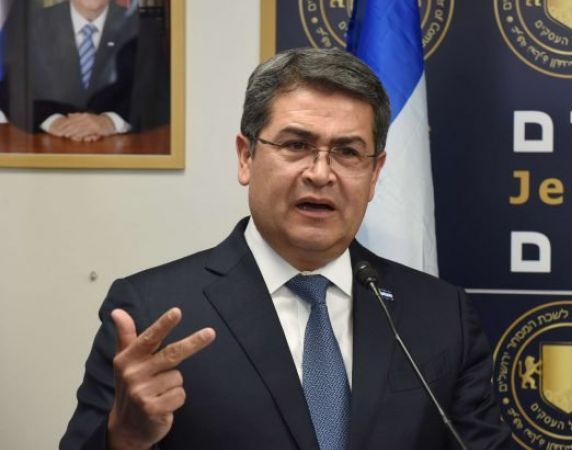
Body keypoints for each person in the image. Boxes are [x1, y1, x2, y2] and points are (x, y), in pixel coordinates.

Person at [60, 48, 511, 450]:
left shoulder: (441, 315)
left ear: (374, 174)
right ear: (246, 157)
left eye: (347, 152)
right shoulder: (151, 313)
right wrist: (124, 439)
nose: (321, 173)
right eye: (296, 145)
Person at [0, 0, 169, 141]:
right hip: (46, 149)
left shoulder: (143, 28)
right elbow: (11, 91)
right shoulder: (31, 25)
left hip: (120, 152)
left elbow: (158, 95)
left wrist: (110, 122)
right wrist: (53, 121)